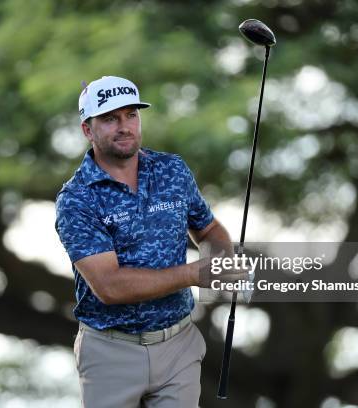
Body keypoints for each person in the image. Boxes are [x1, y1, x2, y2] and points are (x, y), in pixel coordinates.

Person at [55, 75, 233, 407]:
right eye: (110, 118)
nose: (124, 126)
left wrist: (223, 264)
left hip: (178, 344)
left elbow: (208, 230)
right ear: (87, 130)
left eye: (131, 115)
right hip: (110, 353)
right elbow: (110, 287)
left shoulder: (172, 170)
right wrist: (196, 274)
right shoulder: (76, 199)